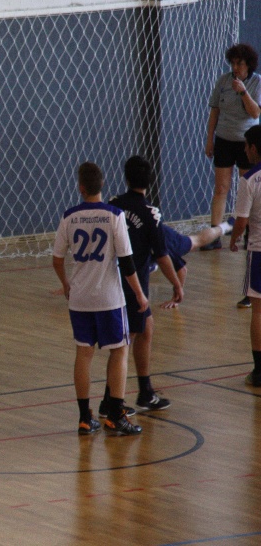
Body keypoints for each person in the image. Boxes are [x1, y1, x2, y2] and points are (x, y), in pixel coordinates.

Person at [99, 156, 199, 415]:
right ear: (150, 181)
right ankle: (110, 401)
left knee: (146, 328)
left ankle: (145, 392)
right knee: (125, 342)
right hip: (134, 285)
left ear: (126, 177)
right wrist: (177, 284)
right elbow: (162, 255)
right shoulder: (150, 213)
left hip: (112, 280)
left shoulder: (113, 204)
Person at [53, 162, 147, 436]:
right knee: (119, 350)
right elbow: (126, 262)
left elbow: (57, 259)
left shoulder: (69, 217)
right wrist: (139, 293)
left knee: (84, 354)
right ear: (102, 184)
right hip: (109, 298)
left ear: (80, 187)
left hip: (80, 298)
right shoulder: (114, 215)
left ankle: (85, 417)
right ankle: (115, 414)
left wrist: (66, 284)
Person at [202, 43, 261, 263]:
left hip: (247, 143)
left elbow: (255, 112)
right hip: (224, 140)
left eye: (240, 63)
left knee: (248, 187)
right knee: (221, 188)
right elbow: (214, 113)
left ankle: (249, 233)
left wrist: (243, 92)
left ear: (248, 64)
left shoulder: (257, 82)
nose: (235, 67)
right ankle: (214, 235)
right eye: (233, 63)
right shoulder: (223, 81)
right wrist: (210, 140)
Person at [229, 125, 261, 387]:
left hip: (259, 250)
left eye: (246, 145)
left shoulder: (249, 179)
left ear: (254, 148)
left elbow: (241, 220)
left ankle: (260, 371)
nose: (244, 150)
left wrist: (234, 238)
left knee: (258, 310)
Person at [157, 221, 233, 309]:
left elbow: (182, 270)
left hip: (173, 240)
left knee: (198, 240)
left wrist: (176, 297)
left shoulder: (162, 244)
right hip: (157, 235)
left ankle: (228, 225)